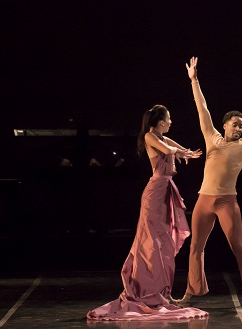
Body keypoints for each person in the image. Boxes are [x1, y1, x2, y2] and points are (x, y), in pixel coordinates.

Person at [87, 104, 207, 321]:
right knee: (151, 241)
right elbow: (170, 150)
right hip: (154, 194)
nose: (171, 122)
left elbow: (177, 147)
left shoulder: (161, 137)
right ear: (160, 122)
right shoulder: (151, 137)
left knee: (162, 242)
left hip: (165, 192)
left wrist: (187, 152)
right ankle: (146, 288)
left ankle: (158, 288)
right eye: (169, 119)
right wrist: (179, 152)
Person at [174, 57, 242, 307]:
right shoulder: (212, 137)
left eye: (241, 126)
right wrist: (194, 80)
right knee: (195, 246)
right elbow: (201, 107)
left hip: (227, 201)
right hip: (204, 199)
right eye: (235, 124)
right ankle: (191, 291)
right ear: (225, 125)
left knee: (238, 245)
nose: (239, 128)